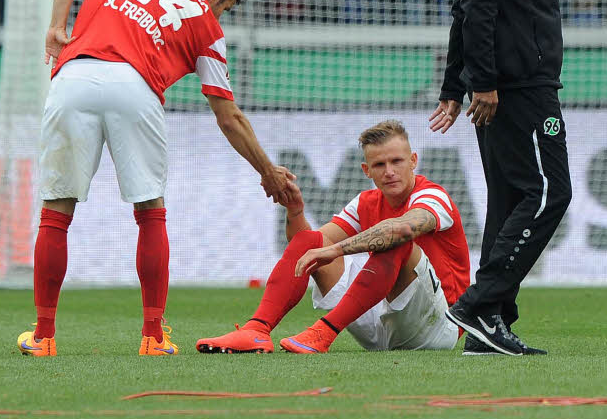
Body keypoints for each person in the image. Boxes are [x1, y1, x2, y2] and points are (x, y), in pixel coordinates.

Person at [16, 0, 297, 357]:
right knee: (150, 211)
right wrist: (267, 171)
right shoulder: (208, 28)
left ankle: (43, 337)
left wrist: (56, 27)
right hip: (136, 86)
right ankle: (152, 336)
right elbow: (228, 116)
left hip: (74, 75)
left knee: (56, 211)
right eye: (226, 9)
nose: (221, 18)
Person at [431, 0, 571, 356]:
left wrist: (457, 80)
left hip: (509, 82)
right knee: (549, 192)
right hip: (520, 87)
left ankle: (489, 325)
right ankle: (476, 303)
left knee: (510, 197)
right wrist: (478, 82)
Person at [196, 119, 470, 354]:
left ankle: (324, 332)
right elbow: (306, 246)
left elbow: (403, 230)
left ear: (413, 162)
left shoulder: (431, 195)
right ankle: (256, 330)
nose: (389, 171)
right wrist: (295, 212)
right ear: (367, 170)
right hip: (381, 327)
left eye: (397, 161)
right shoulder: (365, 202)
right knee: (311, 241)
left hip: (436, 328)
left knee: (396, 238)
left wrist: (336, 250)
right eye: (379, 164)